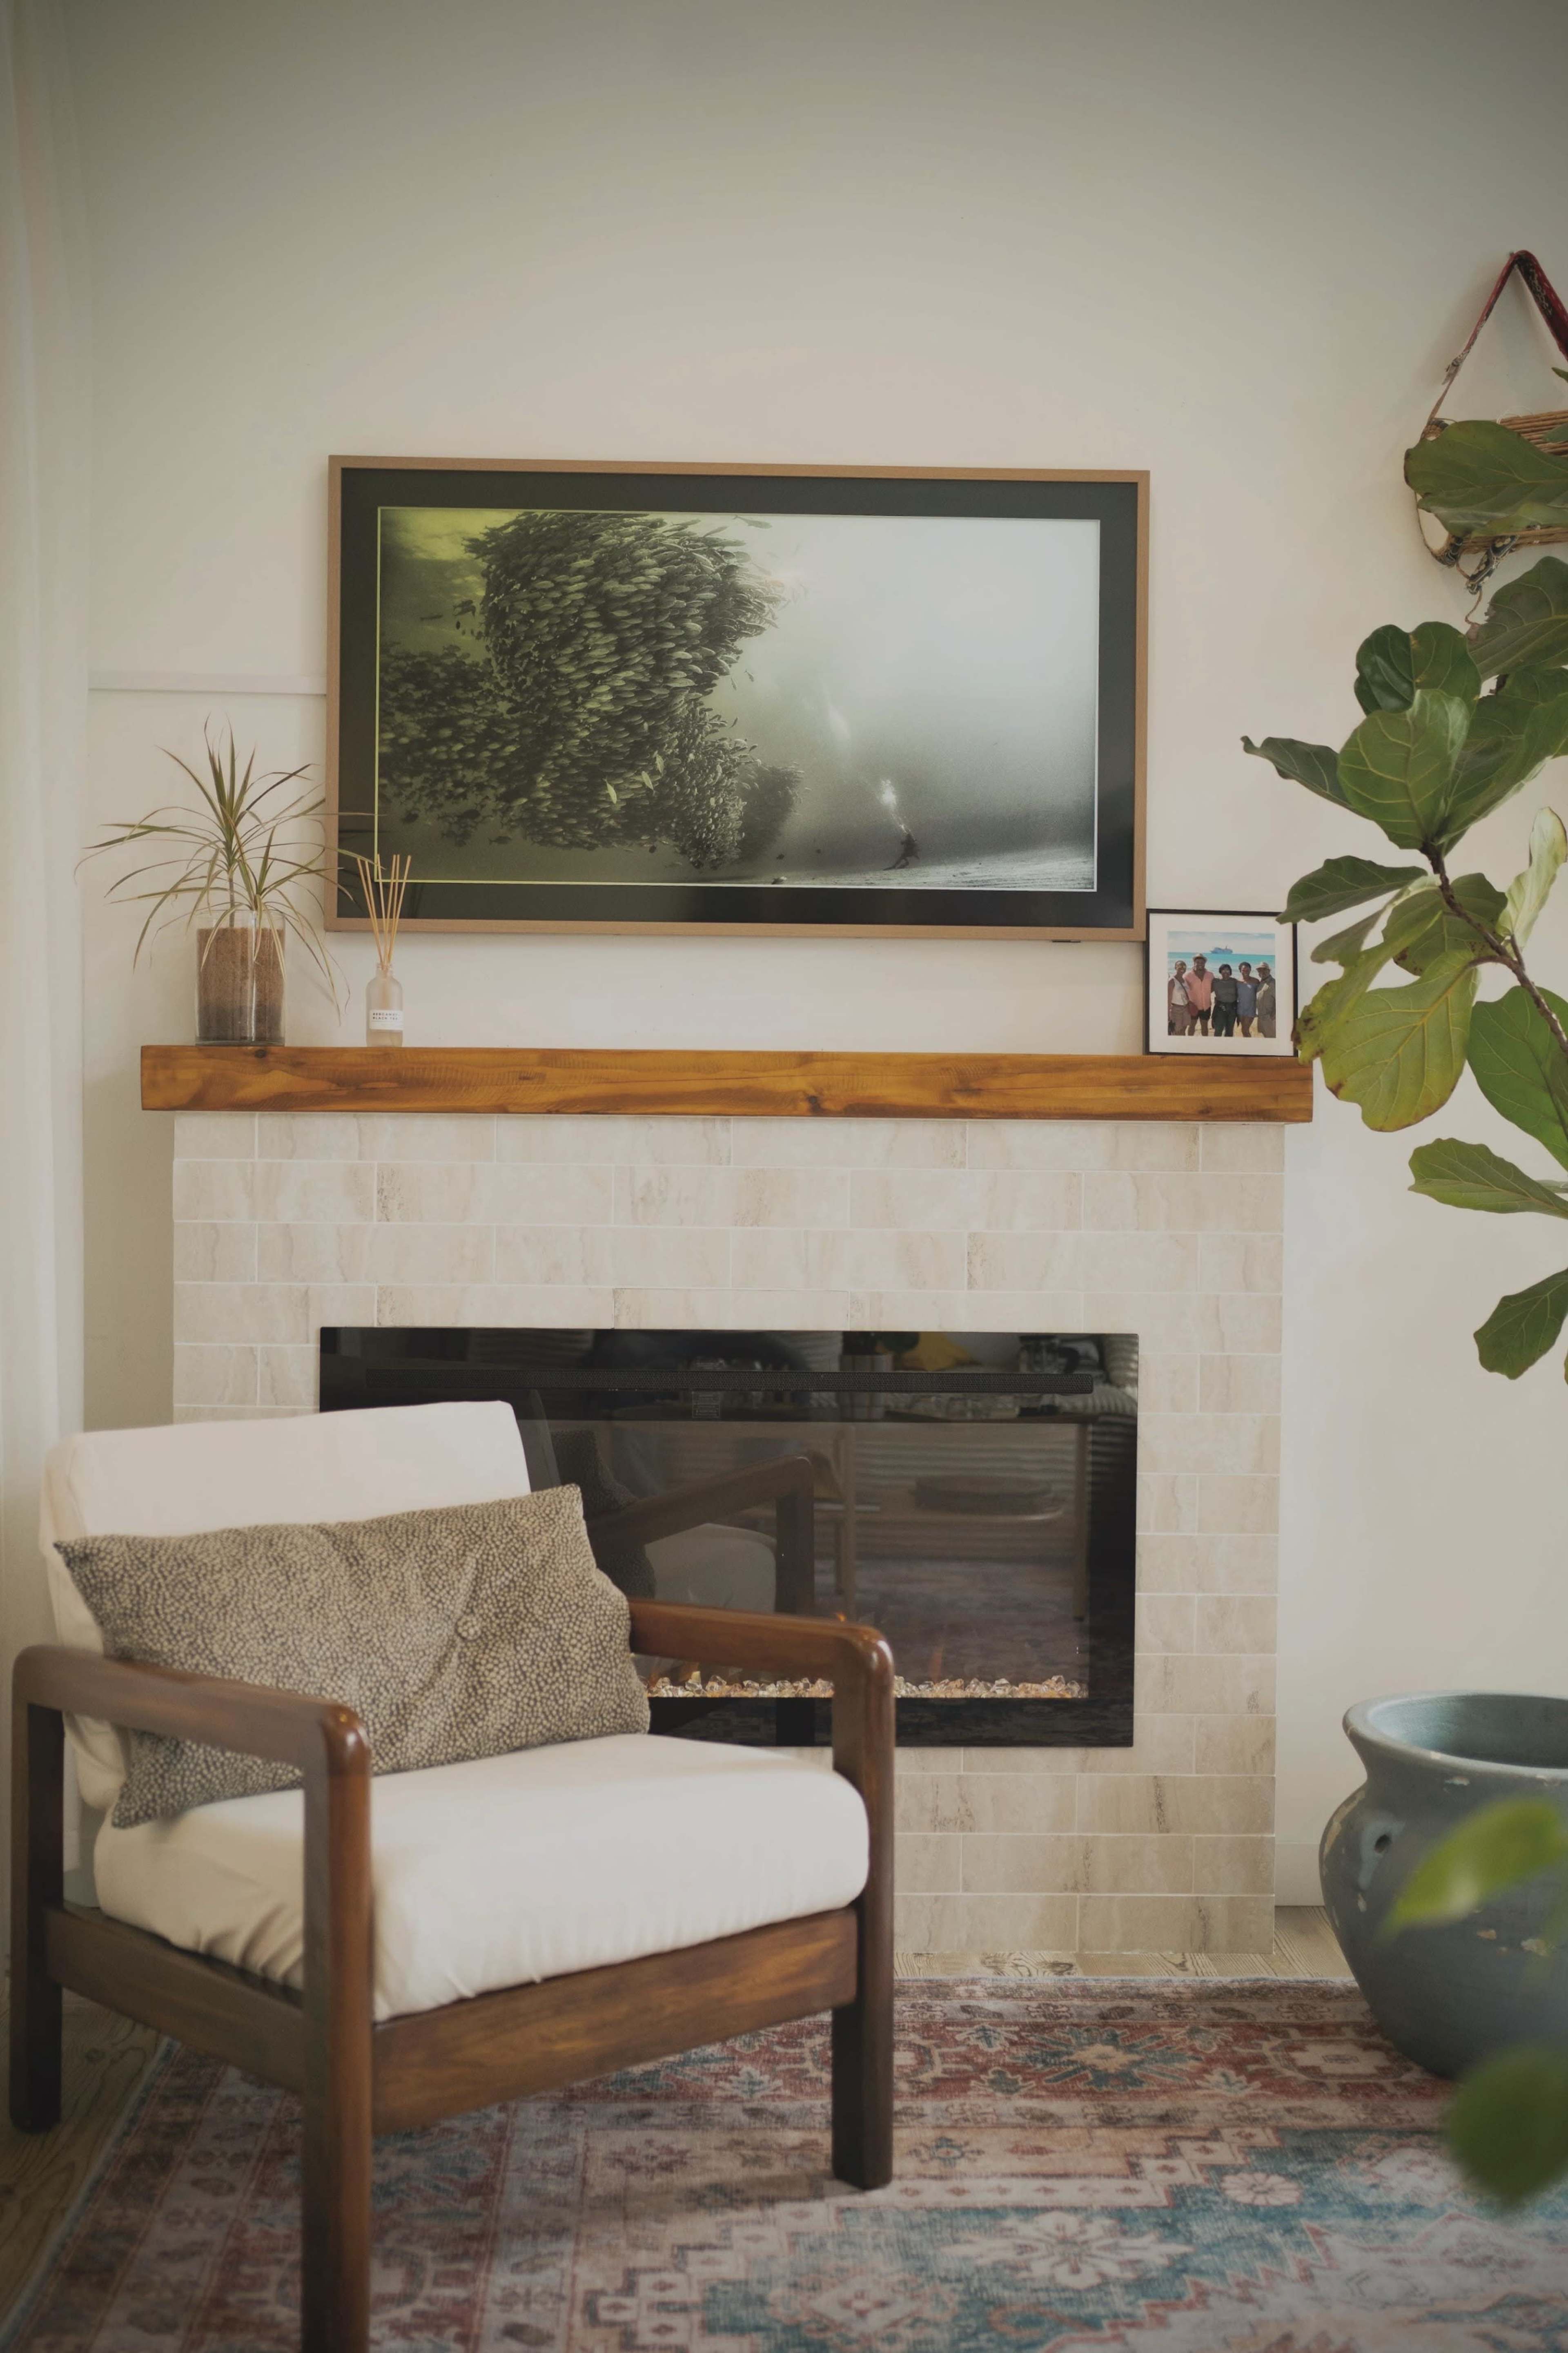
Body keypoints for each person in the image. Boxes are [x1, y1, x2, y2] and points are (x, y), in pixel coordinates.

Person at [1185, 954, 1214, 1035]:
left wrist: (1206, 992)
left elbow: (1213, 987)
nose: (1200, 964)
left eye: (1202, 962)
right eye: (1198, 962)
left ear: (1205, 963)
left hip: (1206, 1006)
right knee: (1192, 1026)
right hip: (1193, 1006)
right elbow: (1183, 990)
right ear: (1194, 963)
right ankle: (1189, 1044)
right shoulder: (1188, 976)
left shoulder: (1210, 975)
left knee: (1205, 1027)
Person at [1212, 962, 1239, 1038]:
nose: (1226, 972)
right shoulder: (1216, 982)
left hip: (1233, 1008)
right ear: (1220, 972)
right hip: (1220, 1008)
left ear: (1231, 972)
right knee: (1218, 1031)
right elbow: (1206, 991)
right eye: (1223, 971)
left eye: (1228, 971)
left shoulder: (1235, 982)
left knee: (1230, 1031)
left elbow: (1240, 994)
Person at [1167, 958, 1192, 1036]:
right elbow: (1168, 999)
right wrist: (1168, 1014)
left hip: (1186, 1009)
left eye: (1184, 967)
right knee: (1177, 1032)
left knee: (1184, 1030)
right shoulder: (1172, 981)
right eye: (1180, 967)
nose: (1182, 969)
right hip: (1176, 1009)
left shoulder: (1185, 980)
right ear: (1175, 968)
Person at [1236, 961, 1259, 1037]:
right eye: (1243, 970)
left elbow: (1260, 995)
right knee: (1244, 1030)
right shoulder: (1238, 982)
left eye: (1247, 970)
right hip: (1241, 1009)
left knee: (1245, 1030)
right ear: (1240, 971)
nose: (1245, 972)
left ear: (1250, 970)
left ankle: (1251, 1046)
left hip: (1251, 1009)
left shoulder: (1256, 981)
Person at [1256, 961, 1276, 1039]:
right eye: (1260, 970)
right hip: (1261, 1017)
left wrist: (1274, 1014)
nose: (1262, 972)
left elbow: (1279, 1000)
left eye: (1265, 970)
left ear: (1269, 971)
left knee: (1272, 1037)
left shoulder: (1273, 983)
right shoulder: (1261, 983)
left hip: (1270, 1017)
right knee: (1265, 1036)